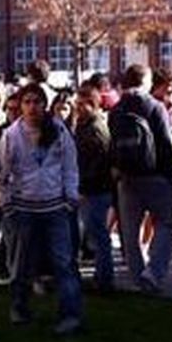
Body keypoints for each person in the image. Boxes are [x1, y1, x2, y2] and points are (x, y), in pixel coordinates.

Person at [0, 84, 84, 335]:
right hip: (23, 208)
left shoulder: (59, 131)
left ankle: (70, 315)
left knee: (64, 263)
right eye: (27, 102)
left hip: (55, 206)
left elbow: (70, 166)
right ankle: (19, 308)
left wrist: (70, 196)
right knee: (20, 265)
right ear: (21, 106)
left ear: (45, 105)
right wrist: (6, 202)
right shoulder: (11, 135)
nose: (32, 107)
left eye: (37, 102)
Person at [110, 65, 172, 293]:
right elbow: (165, 144)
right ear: (146, 81)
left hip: (127, 176)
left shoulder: (117, 109)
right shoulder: (154, 106)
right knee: (166, 223)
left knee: (130, 232)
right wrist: (171, 177)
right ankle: (153, 273)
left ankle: (137, 277)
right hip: (155, 175)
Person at [73, 85, 116, 293]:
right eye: (77, 104)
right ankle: (102, 276)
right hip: (91, 188)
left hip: (95, 190)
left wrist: (83, 186)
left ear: (93, 104)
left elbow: (98, 163)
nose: (78, 108)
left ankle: (104, 279)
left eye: (82, 104)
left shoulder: (95, 129)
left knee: (98, 235)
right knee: (96, 234)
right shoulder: (85, 125)